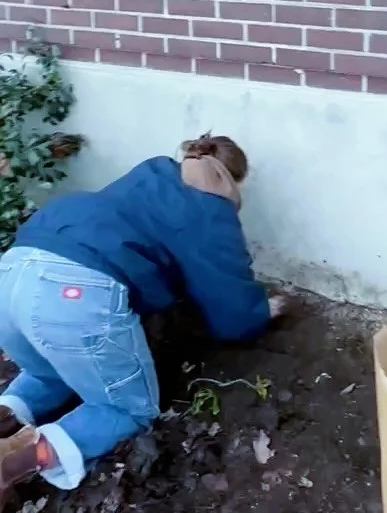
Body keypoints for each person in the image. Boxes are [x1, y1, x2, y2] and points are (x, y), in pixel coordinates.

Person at [0, 134, 286, 505]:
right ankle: (14, 463)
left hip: (13, 274)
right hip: (76, 295)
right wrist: (261, 310)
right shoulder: (210, 207)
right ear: (231, 177)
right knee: (126, 408)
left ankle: (6, 413)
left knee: (49, 371)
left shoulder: (147, 180)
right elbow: (231, 311)